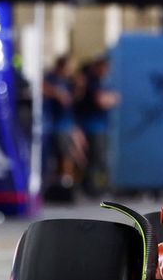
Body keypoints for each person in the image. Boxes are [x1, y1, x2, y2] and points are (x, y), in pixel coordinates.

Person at [75, 55, 119, 196]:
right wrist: (109, 98)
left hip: (101, 126)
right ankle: (91, 189)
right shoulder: (93, 82)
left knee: (100, 158)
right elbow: (101, 101)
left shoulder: (103, 82)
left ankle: (96, 187)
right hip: (92, 127)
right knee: (95, 158)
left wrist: (110, 98)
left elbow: (114, 98)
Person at [41, 55, 82, 198]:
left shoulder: (68, 81)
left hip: (67, 124)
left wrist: (78, 87)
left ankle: (66, 181)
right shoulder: (52, 79)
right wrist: (56, 93)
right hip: (55, 124)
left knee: (67, 153)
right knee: (62, 154)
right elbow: (41, 86)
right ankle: (60, 181)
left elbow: (73, 100)